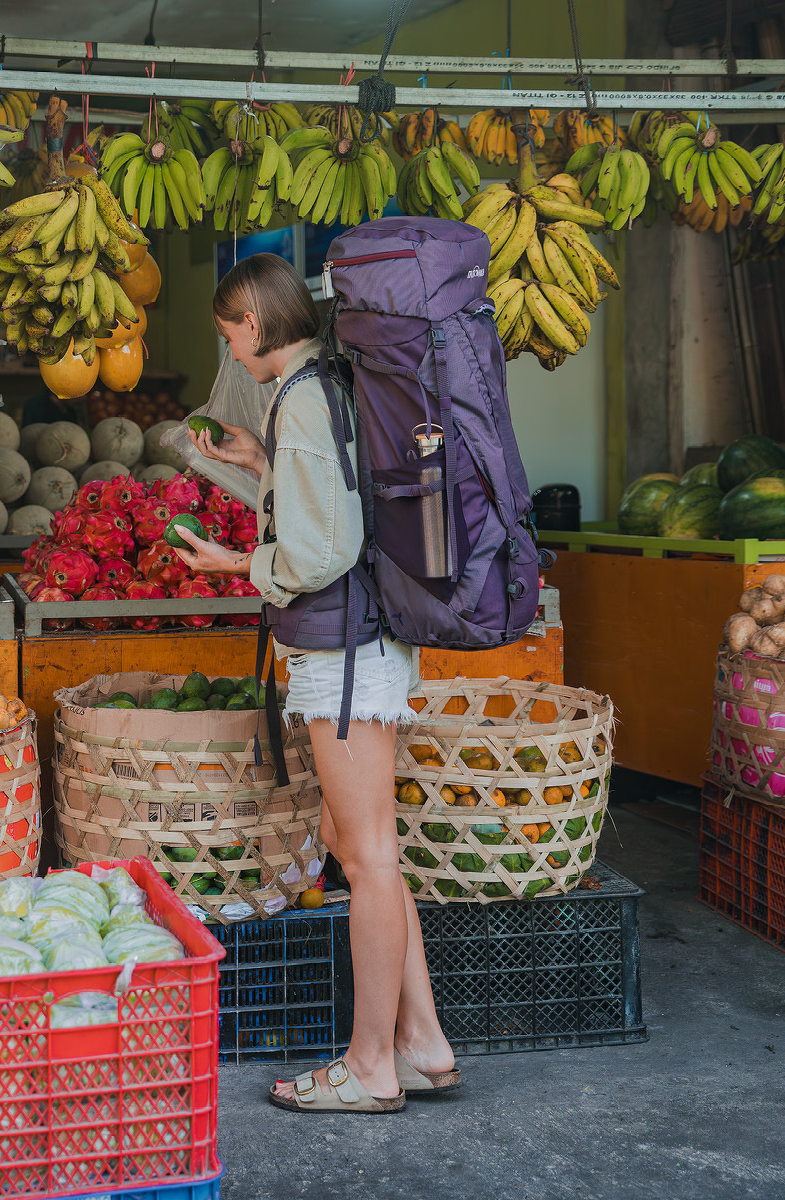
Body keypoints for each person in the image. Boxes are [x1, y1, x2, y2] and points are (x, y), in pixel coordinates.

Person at [170, 253, 460, 1115]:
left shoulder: (300, 395)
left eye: (228, 338)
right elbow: (338, 503)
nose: (229, 354)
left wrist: (237, 561)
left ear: (253, 326)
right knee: (353, 836)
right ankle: (424, 1041)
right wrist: (264, 466)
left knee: (367, 857)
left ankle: (371, 1067)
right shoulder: (328, 382)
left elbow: (320, 551)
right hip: (359, 648)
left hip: (343, 655)